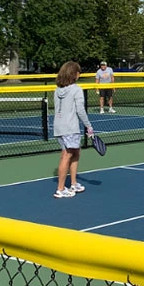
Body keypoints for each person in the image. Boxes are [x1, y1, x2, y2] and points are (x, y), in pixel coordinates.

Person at [52, 61, 94, 198]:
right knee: (67, 155)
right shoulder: (76, 89)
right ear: (75, 74)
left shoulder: (57, 90)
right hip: (70, 127)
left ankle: (74, 183)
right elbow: (80, 110)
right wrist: (88, 126)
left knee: (75, 152)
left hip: (59, 126)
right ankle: (60, 188)